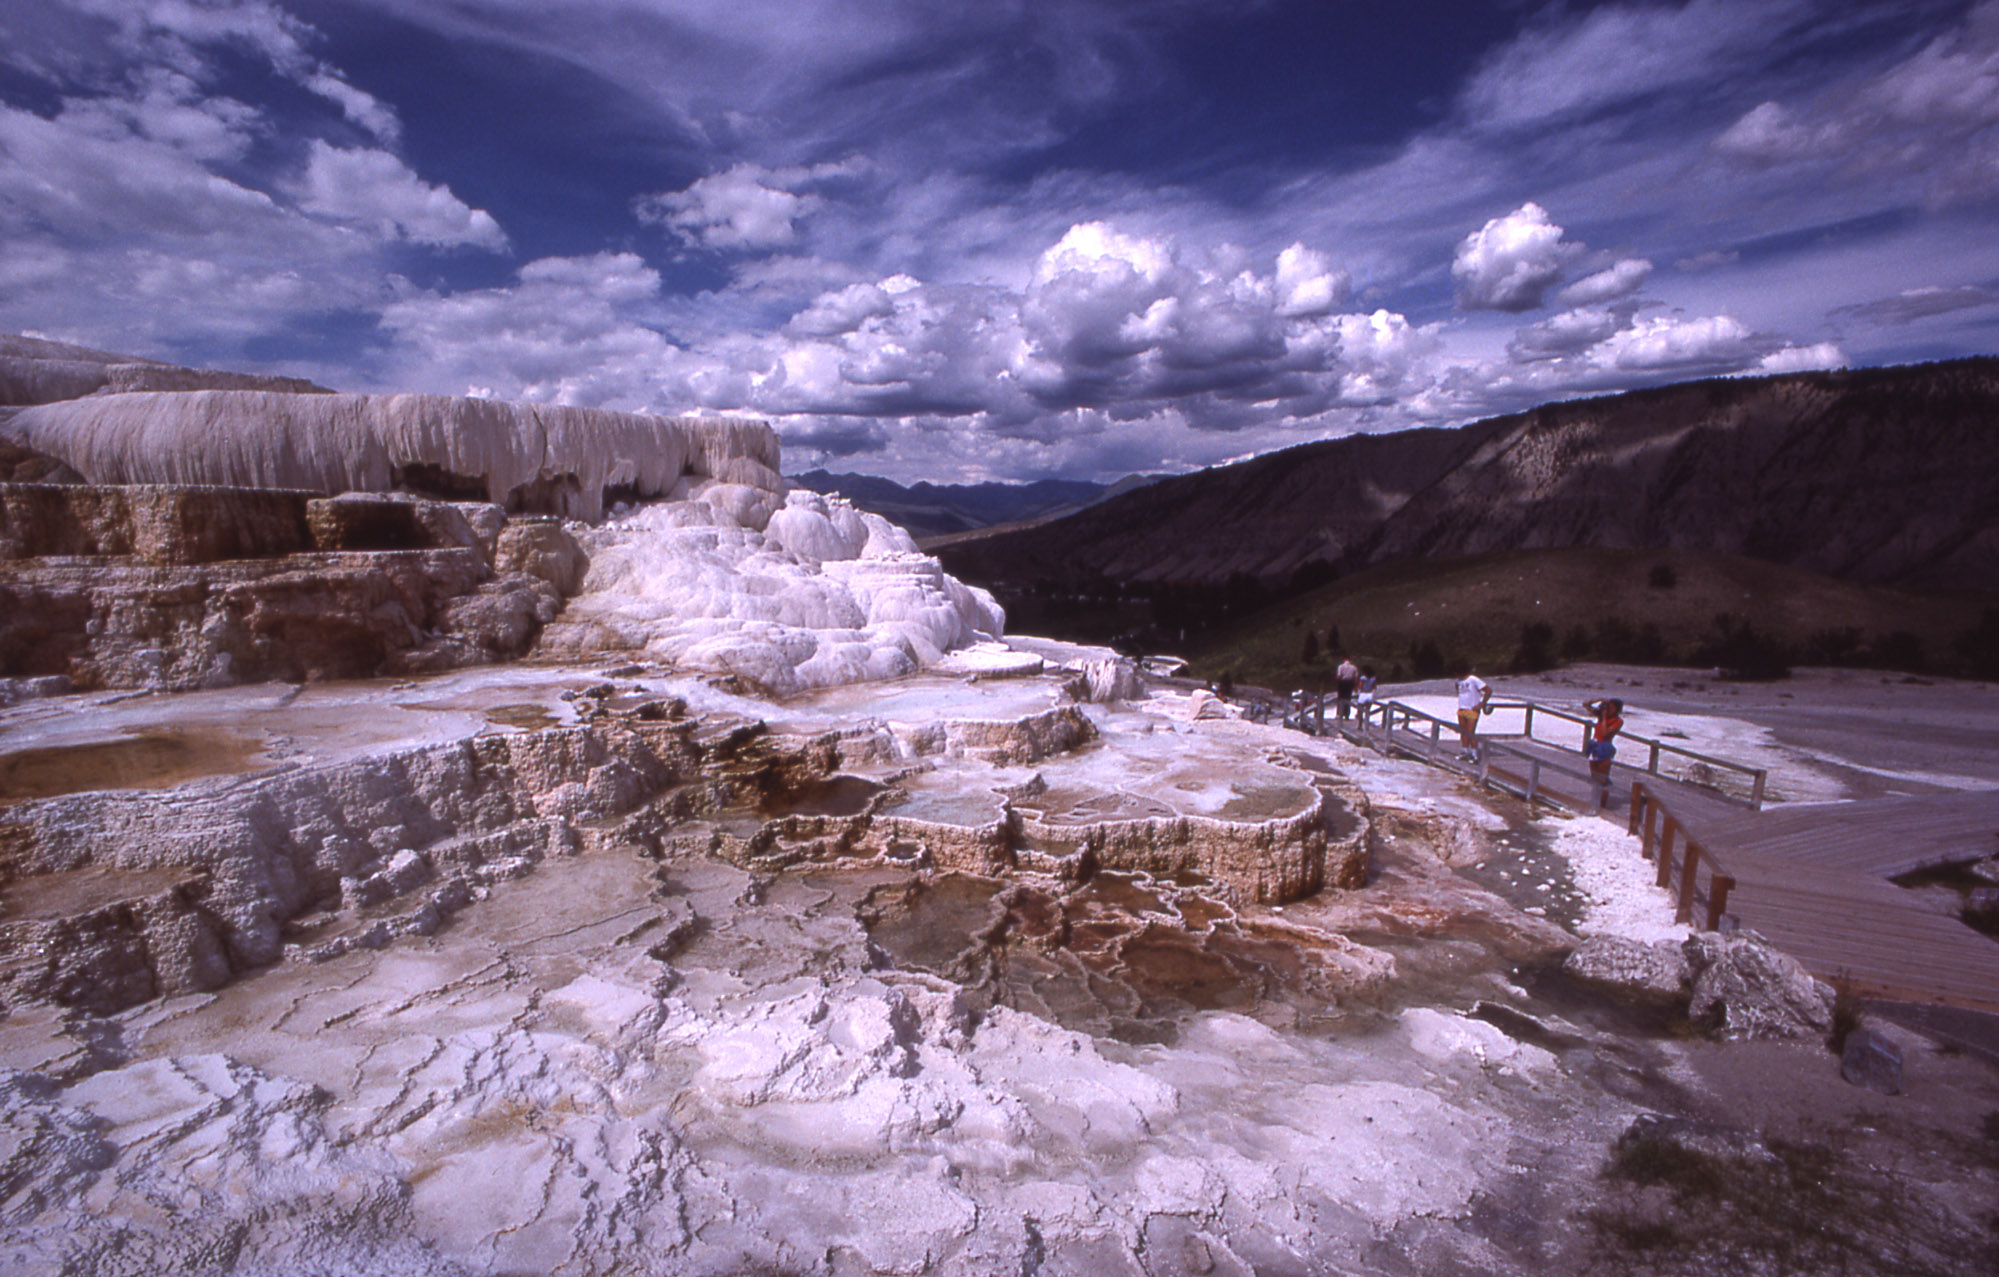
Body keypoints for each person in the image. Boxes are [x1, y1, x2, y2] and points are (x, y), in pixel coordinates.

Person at [1583, 697, 1624, 807]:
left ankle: (1602, 804)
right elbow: (1585, 704)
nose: (1608, 709)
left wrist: (1604, 718)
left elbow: (1605, 734)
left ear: (1617, 709)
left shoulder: (1618, 721)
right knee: (1594, 777)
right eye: (1608, 707)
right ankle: (1595, 801)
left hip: (1604, 747)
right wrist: (1599, 699)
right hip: (1595, 746)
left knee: (1603, 779)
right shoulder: (1601, 716)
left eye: (1611, 708)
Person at [1455, 666, 1490, 760]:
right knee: (1463, 732)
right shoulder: (1458, 681)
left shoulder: (1473, 679)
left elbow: (1488, 690)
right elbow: (1458, 691)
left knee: (1471, 733)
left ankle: (1475, 755)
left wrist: (1481, 704)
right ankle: (1465, 751)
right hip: (1462, 709)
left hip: (1472, 709)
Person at [1334, 655, 1360, 720]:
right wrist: (1355, 685)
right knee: (1348, 698)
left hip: (1342, 682)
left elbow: (1339, 676)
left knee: (1340, 698)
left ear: (1344, 660)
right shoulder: (1354, 667)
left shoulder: (1341, 666)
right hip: (1350, 683)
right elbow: (1356, 677)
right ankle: (1347, 715)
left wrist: (1336, 681)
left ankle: (1339, 714)